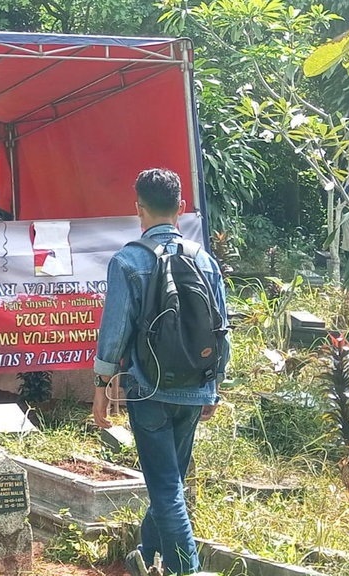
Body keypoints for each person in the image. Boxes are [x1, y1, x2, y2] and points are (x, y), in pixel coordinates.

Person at [91, 168, 230, 576]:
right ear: (181, 209)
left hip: (149, 390)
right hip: (195, 386)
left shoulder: (129, 260)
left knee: (166, 486)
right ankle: (146, 557)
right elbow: (221, 327)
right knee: (169, 481)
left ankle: (187, 570)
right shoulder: (204, 260)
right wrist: (213, 385)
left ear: (139, 209)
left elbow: (115, 331)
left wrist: (101, 384)